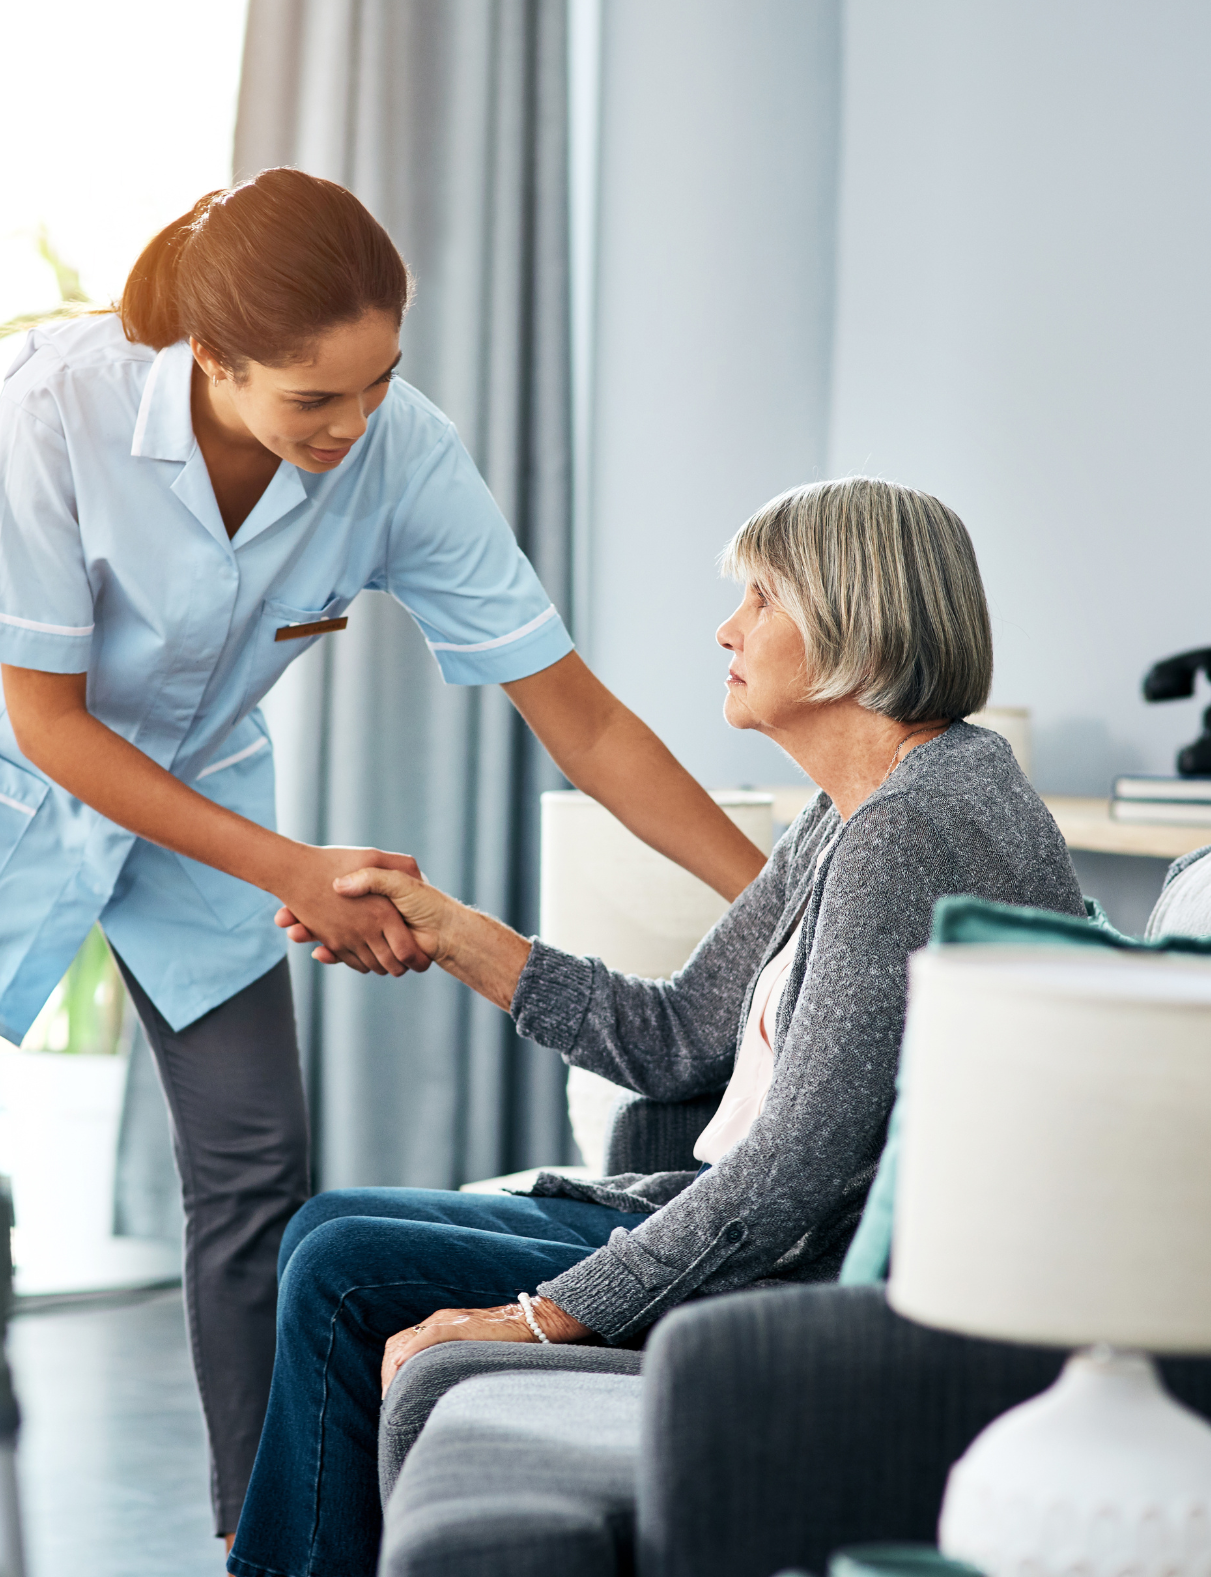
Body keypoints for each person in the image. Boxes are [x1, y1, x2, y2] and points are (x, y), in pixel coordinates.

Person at [0, 168, 766, 1552]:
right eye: (314, 401)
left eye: (381, 382)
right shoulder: (66, 400)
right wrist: (292, 869)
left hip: (203, 796)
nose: (355, 427)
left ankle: (257, 1543)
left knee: (254, 1170)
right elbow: (49, 719)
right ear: (208, 362)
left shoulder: (397, 448)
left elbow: (577, 715)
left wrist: (782, 898)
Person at [228, 476, 1085, 1577]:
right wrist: (452, 931)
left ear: (856, 629)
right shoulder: (855, 808)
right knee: (326, 1229)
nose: (727, 629)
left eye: (762, 600)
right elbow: (678, 1035)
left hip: (786, 1283)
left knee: (342, 1263)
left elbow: (793, 1170)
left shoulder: (908, 830)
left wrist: (548, 1316)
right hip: (730, 1231)